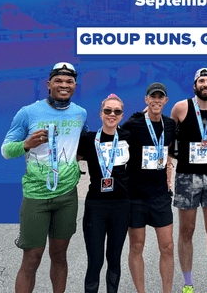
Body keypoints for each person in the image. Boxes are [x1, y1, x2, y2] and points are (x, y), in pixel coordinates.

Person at [1, 62, 87, 293]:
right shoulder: (28, 112)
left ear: (75, 85)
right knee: (31, 259)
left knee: (59, 256)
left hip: (67, 197)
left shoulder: (80, 113)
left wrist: (73, 161)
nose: (64, 85)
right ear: (48, 84)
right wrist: (26, 144)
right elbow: (6, 150)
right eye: (58, 80)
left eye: (69, 81)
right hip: (36, 197)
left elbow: (85, 143)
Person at [170, 68, 207, 293]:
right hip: (186, 176)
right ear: (194, 85)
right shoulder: (181, 107)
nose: (205, 84)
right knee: (187, 231)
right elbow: (165, 131)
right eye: (201, 81)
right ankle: (187, 284)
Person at [122, 82, 176, 293]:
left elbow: (177, 146)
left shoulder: (170, 125)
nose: (156, 100)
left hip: (160, 195)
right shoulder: (133, 124)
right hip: (135, 195)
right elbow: (113, 133)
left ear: (165, 101)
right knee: (136, 247)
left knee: (168, 246)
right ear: (146, 100)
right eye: (152, 97)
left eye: (160, 97)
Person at [77, 94, 130, 293]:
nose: (112, 114)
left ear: (121, 115)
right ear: (100, 114)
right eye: (107, 110)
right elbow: (69, 158)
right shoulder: (89, 139)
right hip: (96, 206)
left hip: (121, 205)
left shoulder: (127, 136)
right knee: (95, 261)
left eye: (116, 111)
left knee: (114, 259)